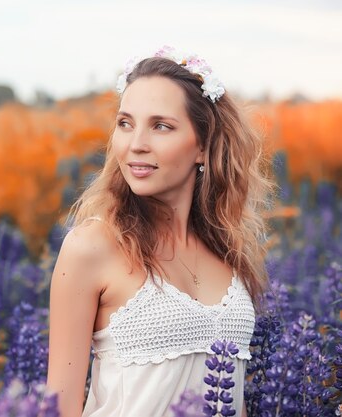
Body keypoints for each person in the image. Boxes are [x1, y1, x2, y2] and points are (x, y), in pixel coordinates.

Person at [45, 46, 275, 417]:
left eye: (161, 126)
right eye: (125, 123)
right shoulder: (91, 247)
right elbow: (57, 408)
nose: (136, 144)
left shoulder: (227, 251)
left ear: (202, 146)